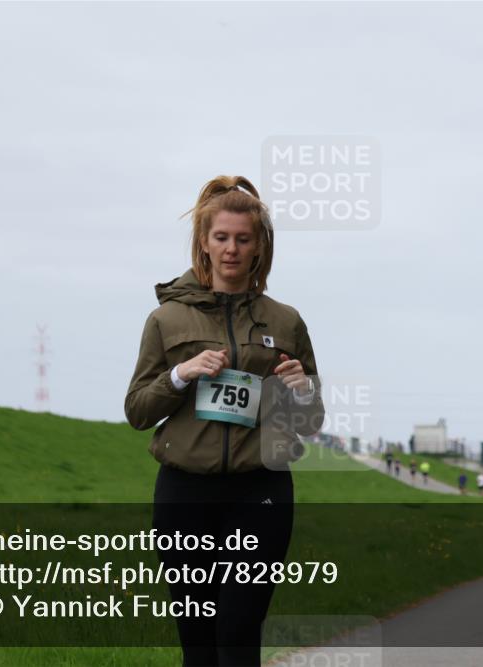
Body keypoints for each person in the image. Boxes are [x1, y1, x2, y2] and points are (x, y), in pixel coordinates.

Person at [124, 175, 325, 667]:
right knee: (198, 637)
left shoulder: (286, 322)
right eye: (221, 238)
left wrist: (300, 390)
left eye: (243, 238)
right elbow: (137, 411)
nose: (232, 249)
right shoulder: (167, 320)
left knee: (237, 630)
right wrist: (179, 374)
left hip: (261, 492)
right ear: (204, 243)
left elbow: (311, 420)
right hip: (184, 493)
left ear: (259, 247)